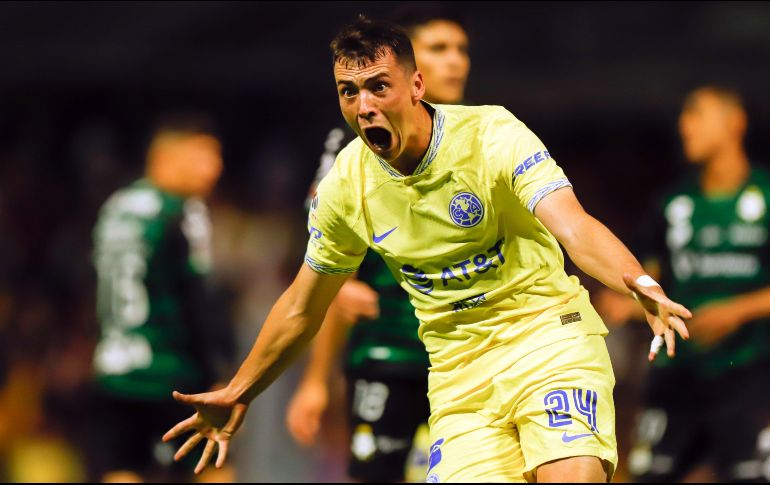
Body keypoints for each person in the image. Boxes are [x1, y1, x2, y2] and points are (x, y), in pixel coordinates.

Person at [162, 16, 691, 482]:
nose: (364, 106)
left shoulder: (491, 135)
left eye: (378, 87)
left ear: (416, 86)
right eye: (349, 92)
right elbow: (304, 305)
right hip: (458, 378)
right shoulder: (346, 186)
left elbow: (574, 228)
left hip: (546, 341)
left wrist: (637, 281)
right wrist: (239, 391)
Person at [284, 6, 470, 482]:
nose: (455, 62)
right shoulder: (353, 152)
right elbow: (326, 264)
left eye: (461, 50)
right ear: (410, 70)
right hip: (387, 351)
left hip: (467, 355)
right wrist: (314, 381)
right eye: (439, 49)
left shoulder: (482, 138)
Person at [598, 87, 770, 483]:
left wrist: (736, 311)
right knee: (649, 474)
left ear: (735, 122)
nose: (684, 125)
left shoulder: (765, 194)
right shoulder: (673, 204)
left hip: (751, 377)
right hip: (678, 377)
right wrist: (631, 300)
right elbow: (649, 272)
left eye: (696, 114)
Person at [89, 114, 233, 482]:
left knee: (122, 469)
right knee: (213, 467)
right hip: (172, 371)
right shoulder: (182, 211)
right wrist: (218, 374)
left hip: (115, 366)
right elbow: (196, 300)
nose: (215, 169)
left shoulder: (116, 208)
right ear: (167, 156)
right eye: (204, 156)